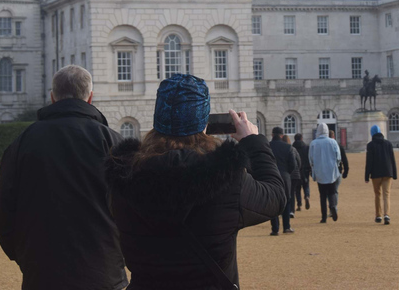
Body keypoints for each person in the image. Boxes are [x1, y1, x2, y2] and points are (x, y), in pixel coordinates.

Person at [105, 74, 286, 289]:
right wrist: (253, 141)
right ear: (204, 124)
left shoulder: (124, 174)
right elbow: (275, 196)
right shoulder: (228, 179)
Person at [0, 65, 128, 290]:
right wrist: (118, 256)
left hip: (42, 272)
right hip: (103, 271)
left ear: (53, 97)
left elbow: (0, 210)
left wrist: (23, 255)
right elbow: (134, 210)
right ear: (90, 97)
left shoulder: (23, 142)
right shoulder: (114, 142)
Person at [364, 124, 397, 225]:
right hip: (388, 171)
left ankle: (378, 215)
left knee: (377, 194)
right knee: (386, 194)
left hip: (376, 173)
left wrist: (366, 176)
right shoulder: (388, 143)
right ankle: (387, 215)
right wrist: (394, 173)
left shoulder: (370, 145)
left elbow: (369, 161)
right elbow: (392, 159)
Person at [309, 122, 341, 223]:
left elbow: (310, 159)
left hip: (320, 172)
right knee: (332, 192)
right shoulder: (333, 142)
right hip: (331, 171)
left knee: (322, 195)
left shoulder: (313, 143)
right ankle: (332, 206)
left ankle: (323, 217)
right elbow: (338, 157)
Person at [269, 127, 298, 235]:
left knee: (272, 202)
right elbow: (293, 165)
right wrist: (287, 173)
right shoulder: (287, 147)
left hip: (271, 176)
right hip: (285, 176)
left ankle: (275, 229)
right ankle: (286, 226)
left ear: (272, 135)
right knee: (286, 201)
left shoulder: (267, 146)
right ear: (282, 135)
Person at [283, 134, 302, 220]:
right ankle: (292, 211)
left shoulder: (282, 150)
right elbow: (299, 161)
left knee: (284, 193)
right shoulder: (293, 149)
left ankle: (284, 210)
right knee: (292, 193)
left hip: (286, 173)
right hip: (295, 174)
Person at [292, 133, 311, 211]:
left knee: (297, 188)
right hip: (305, 169)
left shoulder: (292, 148)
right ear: (302, 138)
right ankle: (307, 196)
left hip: (296, 170)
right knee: (306, 185)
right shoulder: (306, 147)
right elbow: (309, 158)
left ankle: (299, 204)